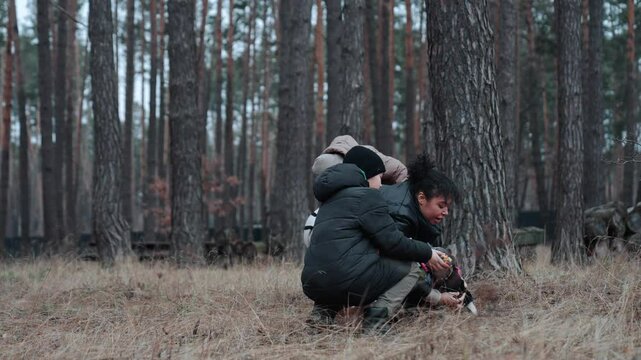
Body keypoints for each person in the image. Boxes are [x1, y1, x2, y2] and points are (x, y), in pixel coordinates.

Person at [301, 146, 451, 333]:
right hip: (345, 281)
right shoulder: (368, 197)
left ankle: (321, 315)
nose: (381, 184)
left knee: (336, 268)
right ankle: (375, 322)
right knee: (411, 268)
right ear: (368, 174)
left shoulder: (329, 201)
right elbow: (392, 242)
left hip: (311, 283)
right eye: (379, 177)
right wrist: (427, 252)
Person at [380, 153, 475, 312]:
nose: (446, 212)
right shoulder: (400, 213)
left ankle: (462, 299)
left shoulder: (413, 206)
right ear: (422, 198)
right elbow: (397, 263)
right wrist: (436, 296)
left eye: (448, 207)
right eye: (441, 205)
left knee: (442, 256)